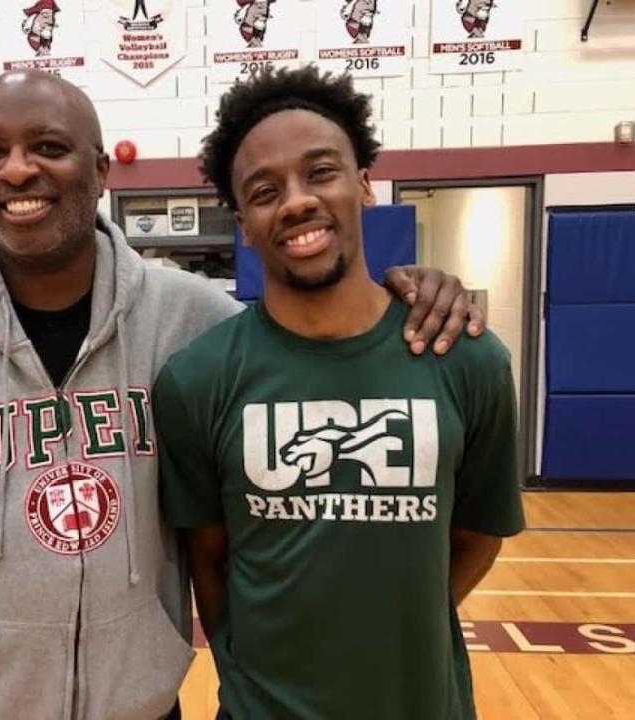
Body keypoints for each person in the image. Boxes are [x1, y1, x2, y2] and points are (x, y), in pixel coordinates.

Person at [0, 69, 484, 720]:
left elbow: (322, 343)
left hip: (140, 709)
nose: (17, 168)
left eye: (49, 146)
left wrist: (410, 293)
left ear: (101, 169)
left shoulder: (197, 324)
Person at [154, 65, 524, 720]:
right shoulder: (197, 380)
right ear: (243, 222)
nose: (296, 201)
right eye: (265, 190)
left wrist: (392, 629)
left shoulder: (467, 360)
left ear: (363, 185)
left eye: (320, 172)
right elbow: (208, 561)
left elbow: (477, 536)